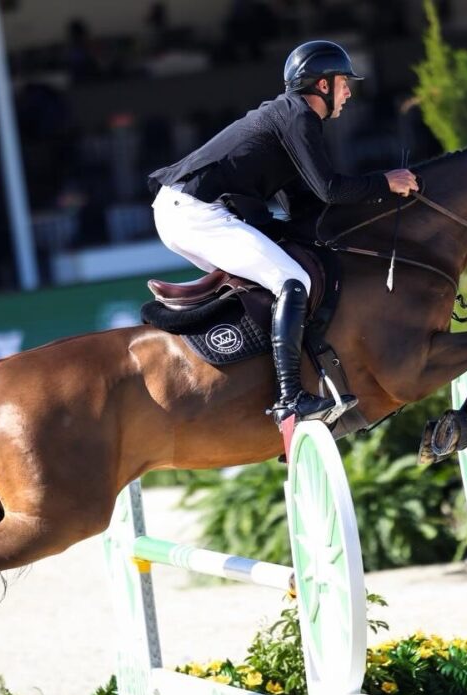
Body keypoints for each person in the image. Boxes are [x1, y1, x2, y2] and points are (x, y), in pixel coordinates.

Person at [148, 40, 419, 424]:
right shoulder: (299, 117)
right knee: (293, 280)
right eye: (344, 82)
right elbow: (330, 189)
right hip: (194, 213)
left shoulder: (290, 117)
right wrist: (385, 183)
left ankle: (266, 374)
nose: (348, 92)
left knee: (277, 274)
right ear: (323, 85)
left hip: (184, 211)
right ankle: (290, 397)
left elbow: (300, 204)